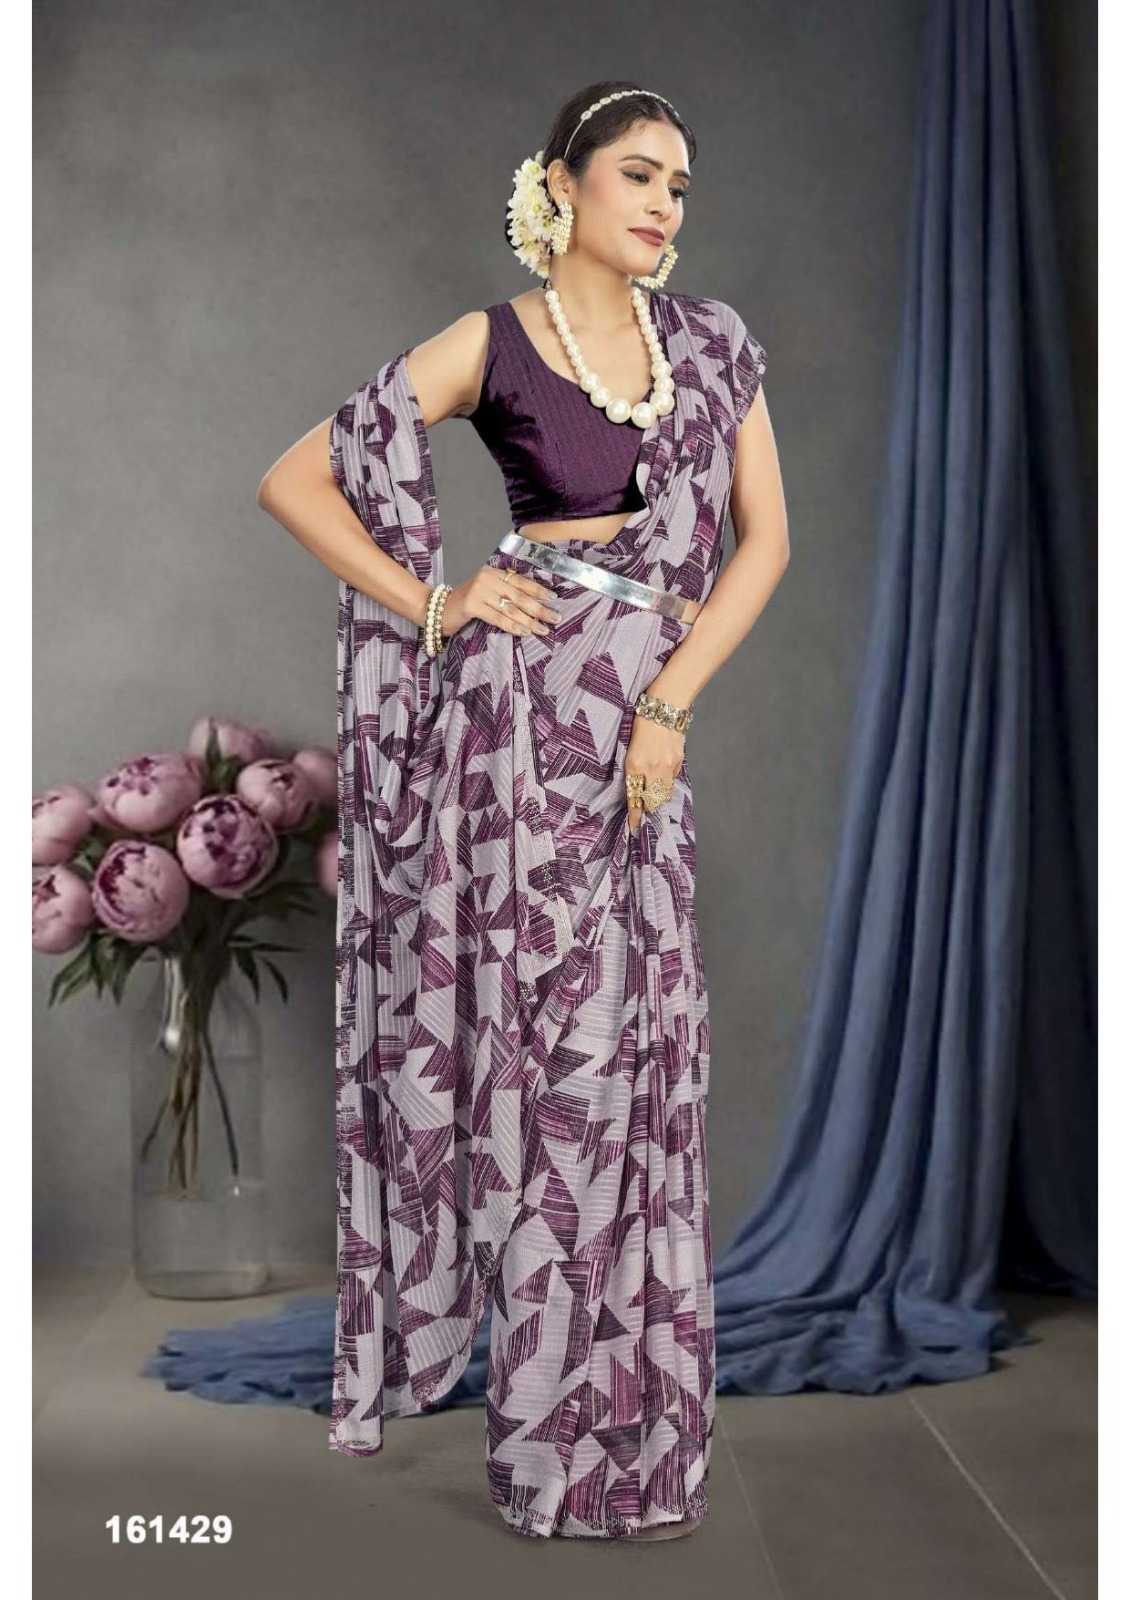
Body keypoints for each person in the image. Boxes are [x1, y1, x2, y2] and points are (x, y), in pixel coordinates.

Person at [257, 79, 789, 1542]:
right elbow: (298, 479)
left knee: (638, 1064)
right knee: (548, 1069)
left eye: (679, 184)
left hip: (638, 733)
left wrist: (669, 705)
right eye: (638, 174)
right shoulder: (491, 342)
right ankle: (548, 1449)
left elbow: (763, 546)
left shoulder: (713, 347)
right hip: (516, 742)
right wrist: (434, 603)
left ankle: (642, 1442)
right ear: (560, 183)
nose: (664, 204)